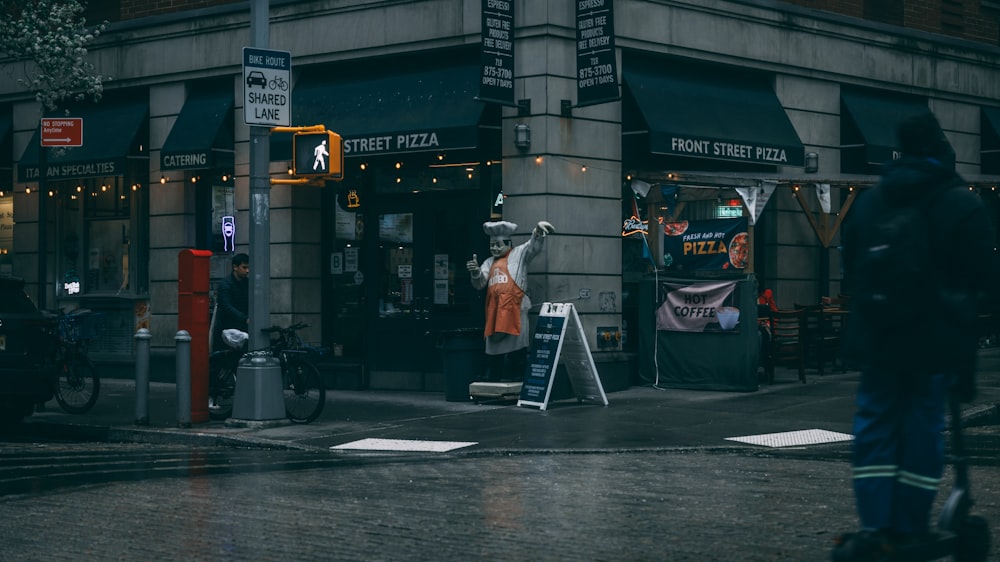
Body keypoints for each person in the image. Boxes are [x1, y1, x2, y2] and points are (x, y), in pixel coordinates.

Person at [835, 112, 995, 558]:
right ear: (941, 148)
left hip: (879, 339)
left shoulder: (871, 202)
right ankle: (909, 526)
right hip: (933, 341)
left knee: (876, 425)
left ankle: (876, 525)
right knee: (923, 426)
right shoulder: (960, 203)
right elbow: (984, 276)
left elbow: (853, 269)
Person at [466, 220, 554, 381]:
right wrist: (476, 272)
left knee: (517, 345)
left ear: (508, 243)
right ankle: (493, 375)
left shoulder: (519, 253)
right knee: (493, 346)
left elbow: (532, 247)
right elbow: (479, 284)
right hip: (494, 311)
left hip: (516, 309)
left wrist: (537, 231)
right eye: (492, 245)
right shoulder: (488, 262)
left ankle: (517, 376)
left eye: (498, 245)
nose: (494, 248)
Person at [212, 253, 250, 353]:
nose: (247, 271)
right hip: (227, 328)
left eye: (248, 267)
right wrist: (244, 318)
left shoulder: (247, 283)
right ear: (235, 267)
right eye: (244, 267)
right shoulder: (226, 284)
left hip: (241, 327)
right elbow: (227, 306)